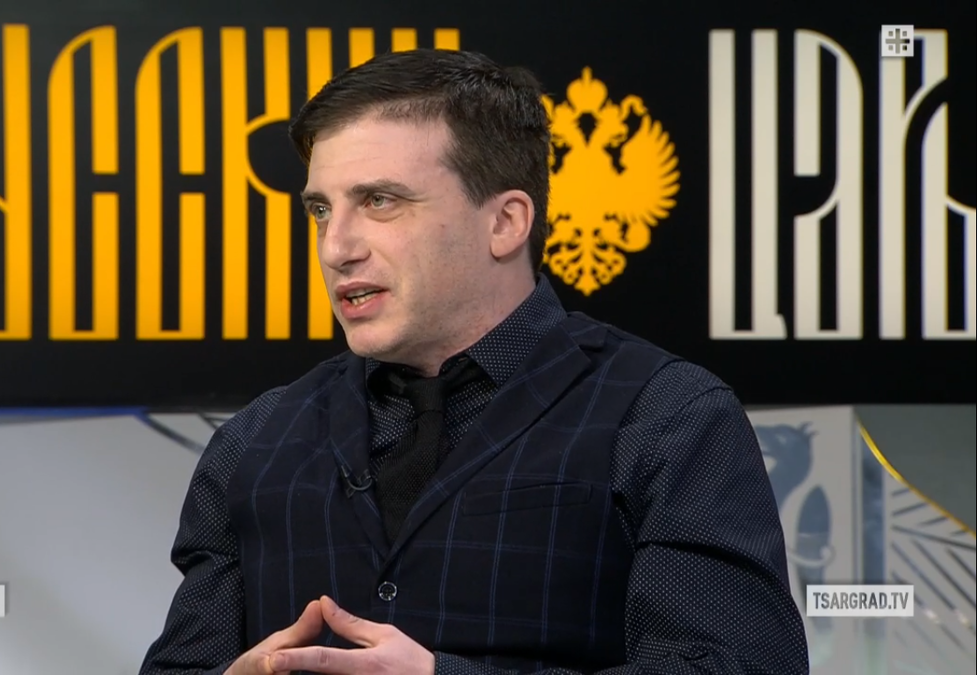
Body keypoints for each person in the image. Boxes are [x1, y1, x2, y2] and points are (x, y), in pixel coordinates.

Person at [138, 48, 809, 675]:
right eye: (320, 209)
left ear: (505, 222)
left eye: (379, 201)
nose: (336, 247)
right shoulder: (253, 441)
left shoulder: (666, 416)